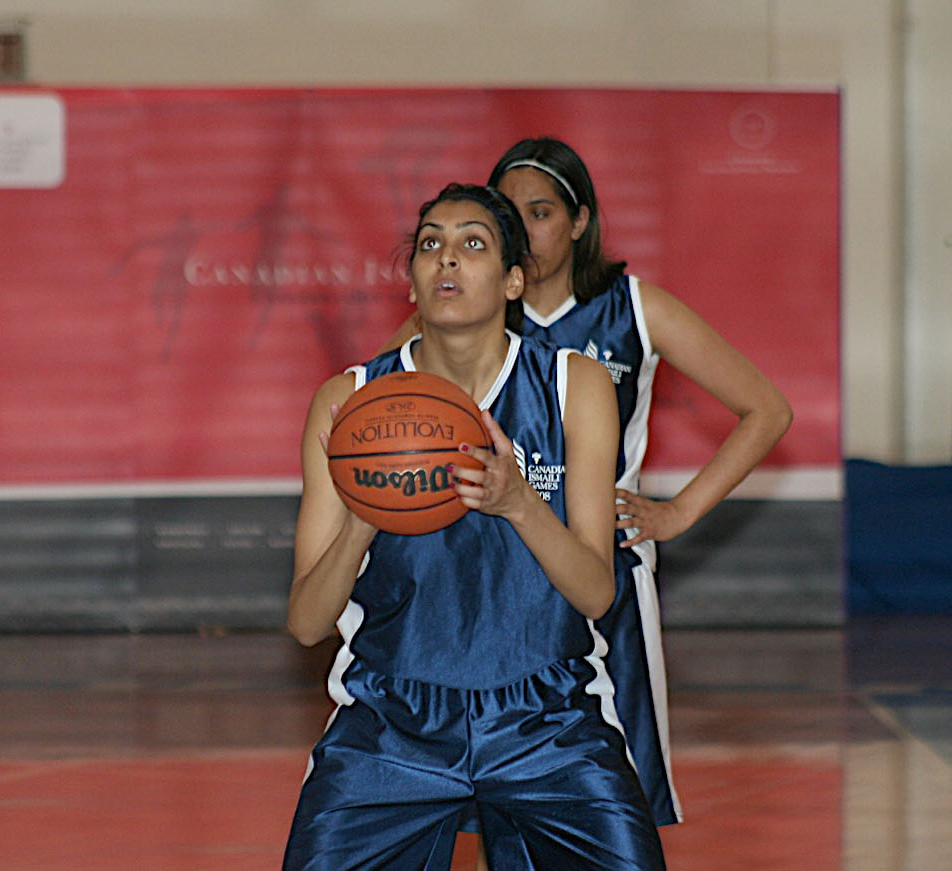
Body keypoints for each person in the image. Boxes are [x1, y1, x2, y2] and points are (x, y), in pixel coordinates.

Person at [384, 138, 794, 837]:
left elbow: (768, 409)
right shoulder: (457, 318)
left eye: (540, 211)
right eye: (508, 214)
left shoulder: (632, 308)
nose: (526, 227)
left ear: (579, 222)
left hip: (598, 571)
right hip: (486, 571)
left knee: (615, 798)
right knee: (484, 800)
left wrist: (678, 511)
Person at [283, 183, 666, 871]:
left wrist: (519, 500)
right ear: (411, 279)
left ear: (514, 278)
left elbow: (595, 594)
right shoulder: (348, 404)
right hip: (388, 720)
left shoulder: (571, 386)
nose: (446, 260)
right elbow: (308, 622)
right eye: (429, 243)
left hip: (548, 714)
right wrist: (364, 521)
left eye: (472, 243)